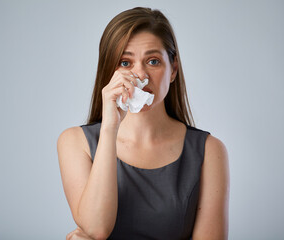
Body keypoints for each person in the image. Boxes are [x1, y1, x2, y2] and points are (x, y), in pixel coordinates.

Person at [57, 7, 230, 240]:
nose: (140, 75)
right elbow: (96, 229)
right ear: (109, 71)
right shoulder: (75, 142)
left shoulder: (209, 151)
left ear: (173, 70)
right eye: (125, 63)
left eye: (153, 61)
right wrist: (110, 127)